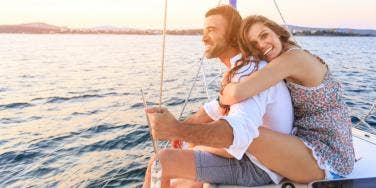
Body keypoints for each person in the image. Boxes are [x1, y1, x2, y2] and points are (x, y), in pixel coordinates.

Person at [143, 6, 293, 187]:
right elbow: (216, 107)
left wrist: (177, 130)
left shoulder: (248, 72)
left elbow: (238, 133)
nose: (203, 37)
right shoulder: (243, 67)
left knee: (161, 162)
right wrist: (183, 128)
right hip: (253, 156)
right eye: (204, 31)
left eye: (212, 30)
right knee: (179, 174)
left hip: (260, 166)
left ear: (233, 36)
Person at [219, 15, 355, 182]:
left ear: (276, 32)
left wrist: (222, 94)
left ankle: (198, 144)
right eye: (254, 44)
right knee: (243, 130)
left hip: (330, 155)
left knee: (245, 132)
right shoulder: (284, 57)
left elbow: (236, 93)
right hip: (303, 139)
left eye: (264, 35)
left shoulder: (292, 59)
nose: (262, 45)